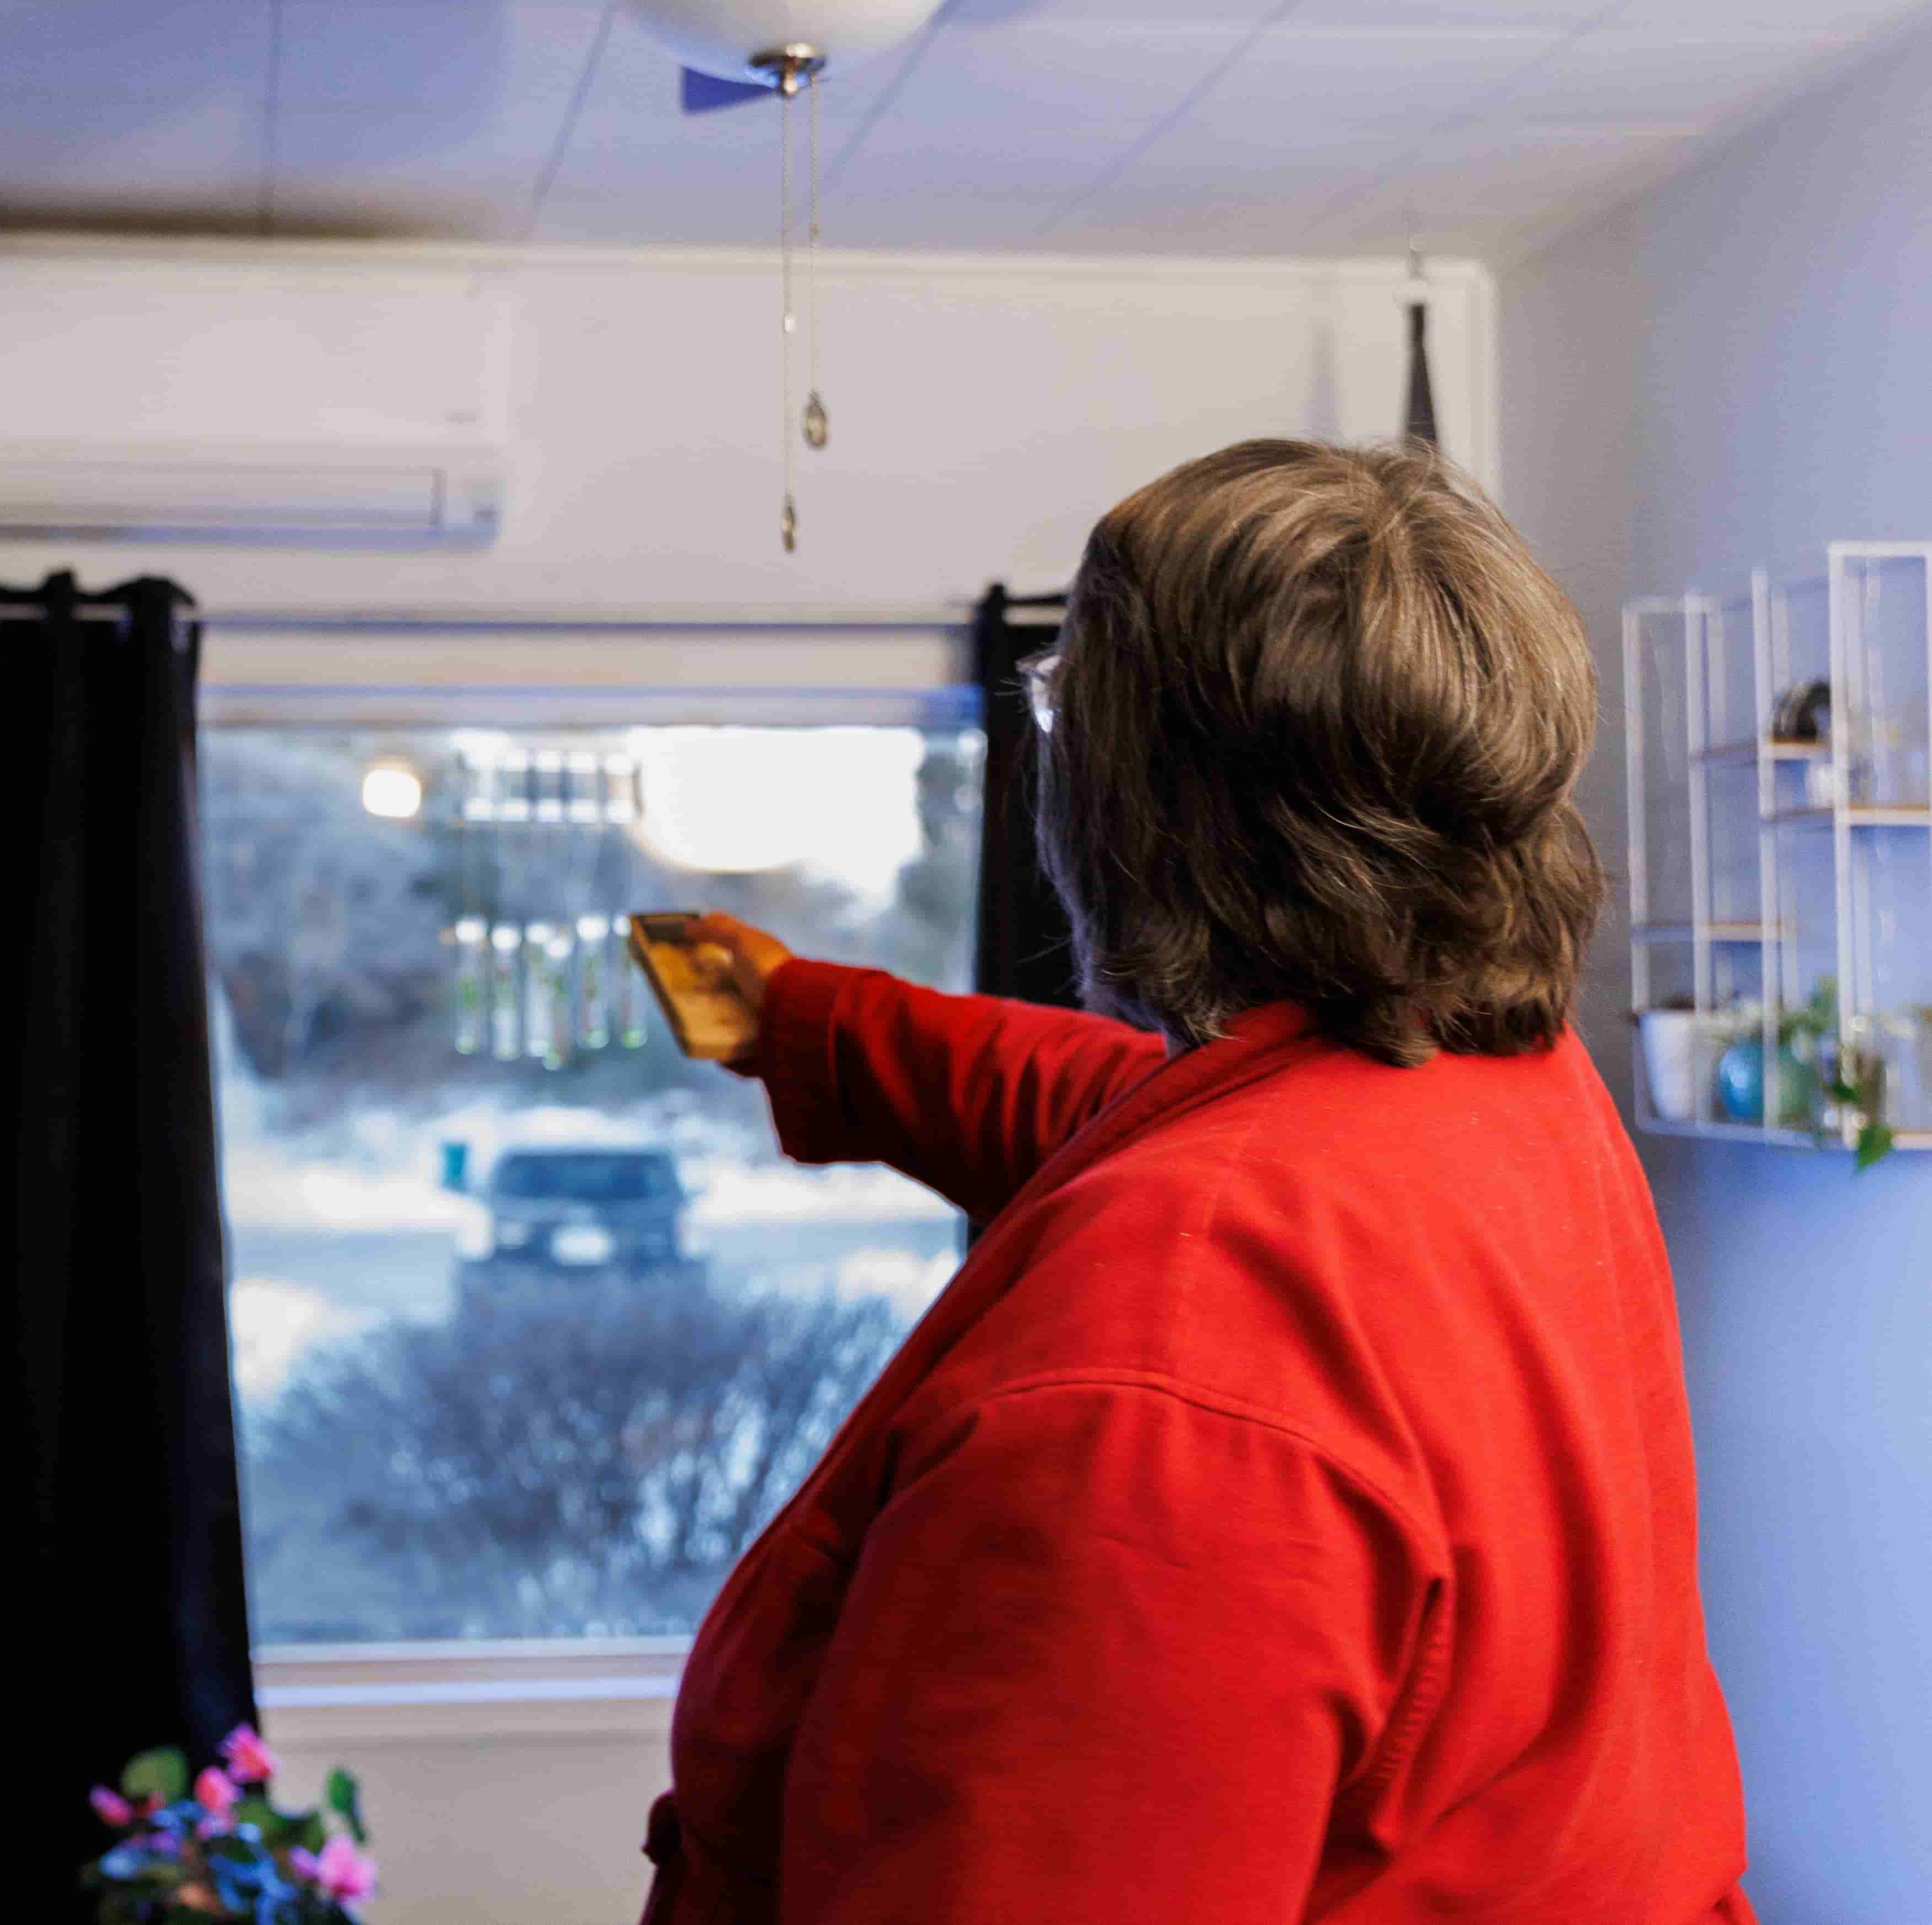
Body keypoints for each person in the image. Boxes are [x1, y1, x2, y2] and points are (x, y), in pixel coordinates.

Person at [643, 440, 1753, 1924]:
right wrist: (805, 1021)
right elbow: (1113, 1107)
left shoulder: (1153, 1395)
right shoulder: (1489, 1091)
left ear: (1123, 796)